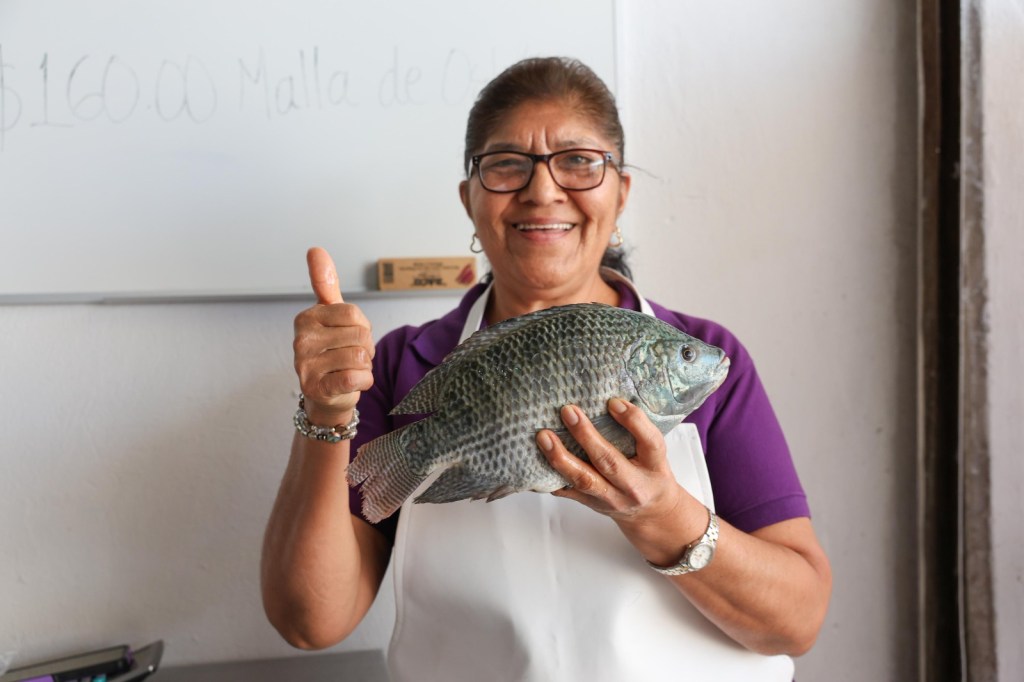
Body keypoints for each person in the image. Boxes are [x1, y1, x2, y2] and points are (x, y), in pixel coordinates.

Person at [262, 57, 832, 681]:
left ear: (621, 193)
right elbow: (311, 621)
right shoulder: (402, 365)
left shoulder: (706, 355)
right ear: (469, 198)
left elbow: (796, 621)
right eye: (506, 164)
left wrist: (661, 514)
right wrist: (326, 412)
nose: (542, 190)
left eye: (580, 161)